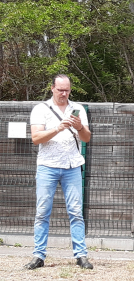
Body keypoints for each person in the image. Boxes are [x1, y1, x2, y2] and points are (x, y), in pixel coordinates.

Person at [24, 74, 93, 270]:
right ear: (52, 88)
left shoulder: (78, 109)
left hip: (72, 167)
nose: (64, 93)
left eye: (67, 90)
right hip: (47, 166)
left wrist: (79, 127)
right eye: (60, 89)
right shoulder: (41, 109)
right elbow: (36, 138)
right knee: (42, 212)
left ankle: (81, 255)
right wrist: (58, 128)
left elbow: (86, 138)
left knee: (76, 212)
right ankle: (38, 255)